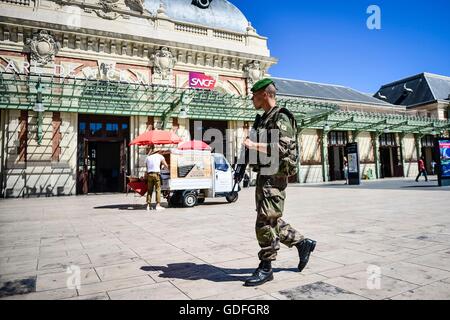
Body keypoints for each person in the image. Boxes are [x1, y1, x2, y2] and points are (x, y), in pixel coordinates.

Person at [242, 78, 316, 287]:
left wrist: (253, 144)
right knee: (271, 219)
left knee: (263, 222)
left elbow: (280, 149)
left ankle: (266, 267)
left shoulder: (281, 116)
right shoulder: (263, 119)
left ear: (265, 94)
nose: (252, 100)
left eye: (254, 95)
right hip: (264, 175)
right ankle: (302, 243)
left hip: (275, 177)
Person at [145, 145, 169, 210]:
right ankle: (158, 205)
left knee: (149, 190)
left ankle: (148, 205)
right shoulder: (160, 156)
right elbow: (166, 165)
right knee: (158, 190)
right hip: (156, 175)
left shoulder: (148, 158)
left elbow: (147, 169)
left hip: (149, 175)